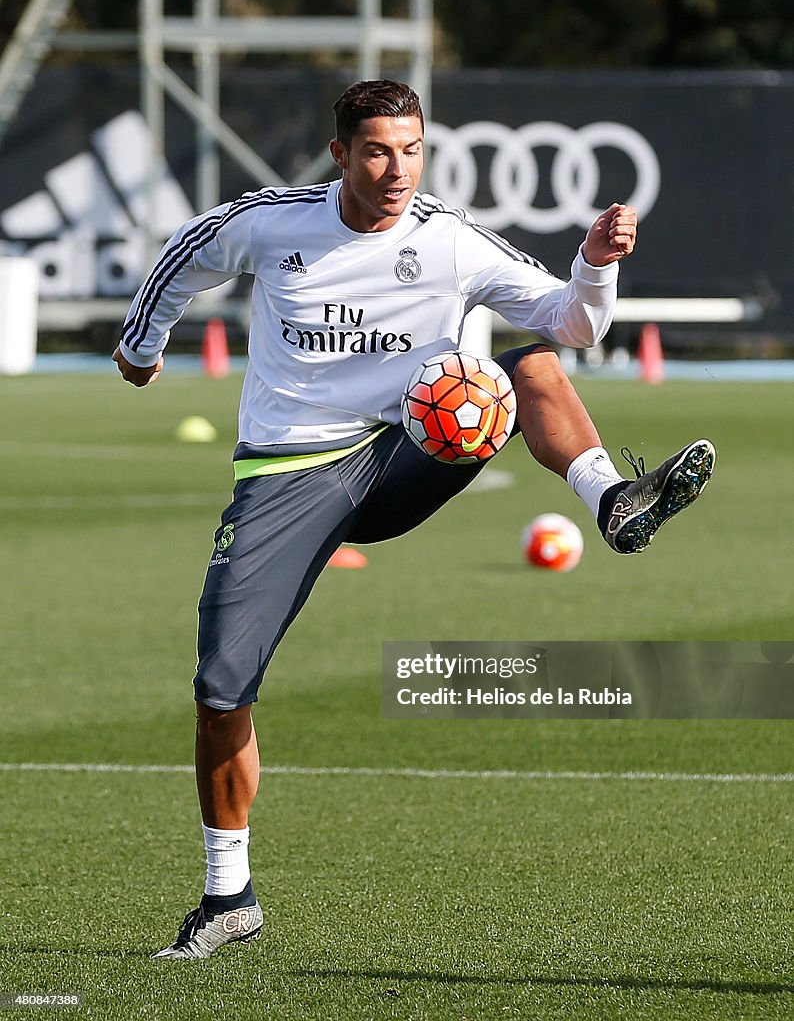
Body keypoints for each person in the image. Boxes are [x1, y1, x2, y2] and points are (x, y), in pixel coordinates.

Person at [113, 79, 715, 959]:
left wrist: (596, 259)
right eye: (377, 152)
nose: (397, 171)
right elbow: (186, 254)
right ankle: (228, 897)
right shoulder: (274, 221)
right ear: (341, 156)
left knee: (522, 365)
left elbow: (576, 323)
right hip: (291, 472)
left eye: (412, 150)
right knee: (218, 691)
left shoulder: (449, 236)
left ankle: (611, 499)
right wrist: (142, 344)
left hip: (410, 452)